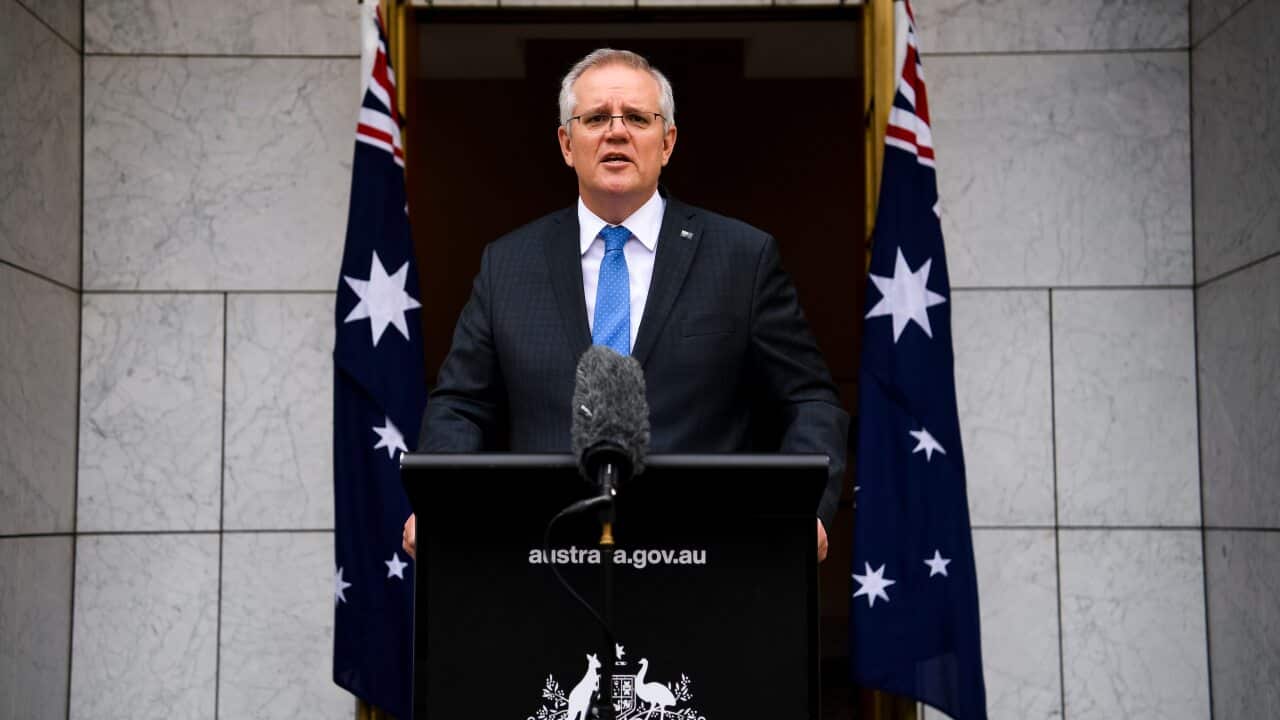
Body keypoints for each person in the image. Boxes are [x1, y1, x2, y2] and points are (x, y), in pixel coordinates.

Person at [402, 48, 848, 561]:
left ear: (668, 142)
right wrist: (441, 500)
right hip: (547, 560)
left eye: (637, 118)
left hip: (704, 559)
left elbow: (809, 401)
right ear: (567, 144)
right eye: (595, 119)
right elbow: (462, 405)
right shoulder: (508, 264)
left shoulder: (743, 258)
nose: (616, 132)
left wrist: (804, 507)